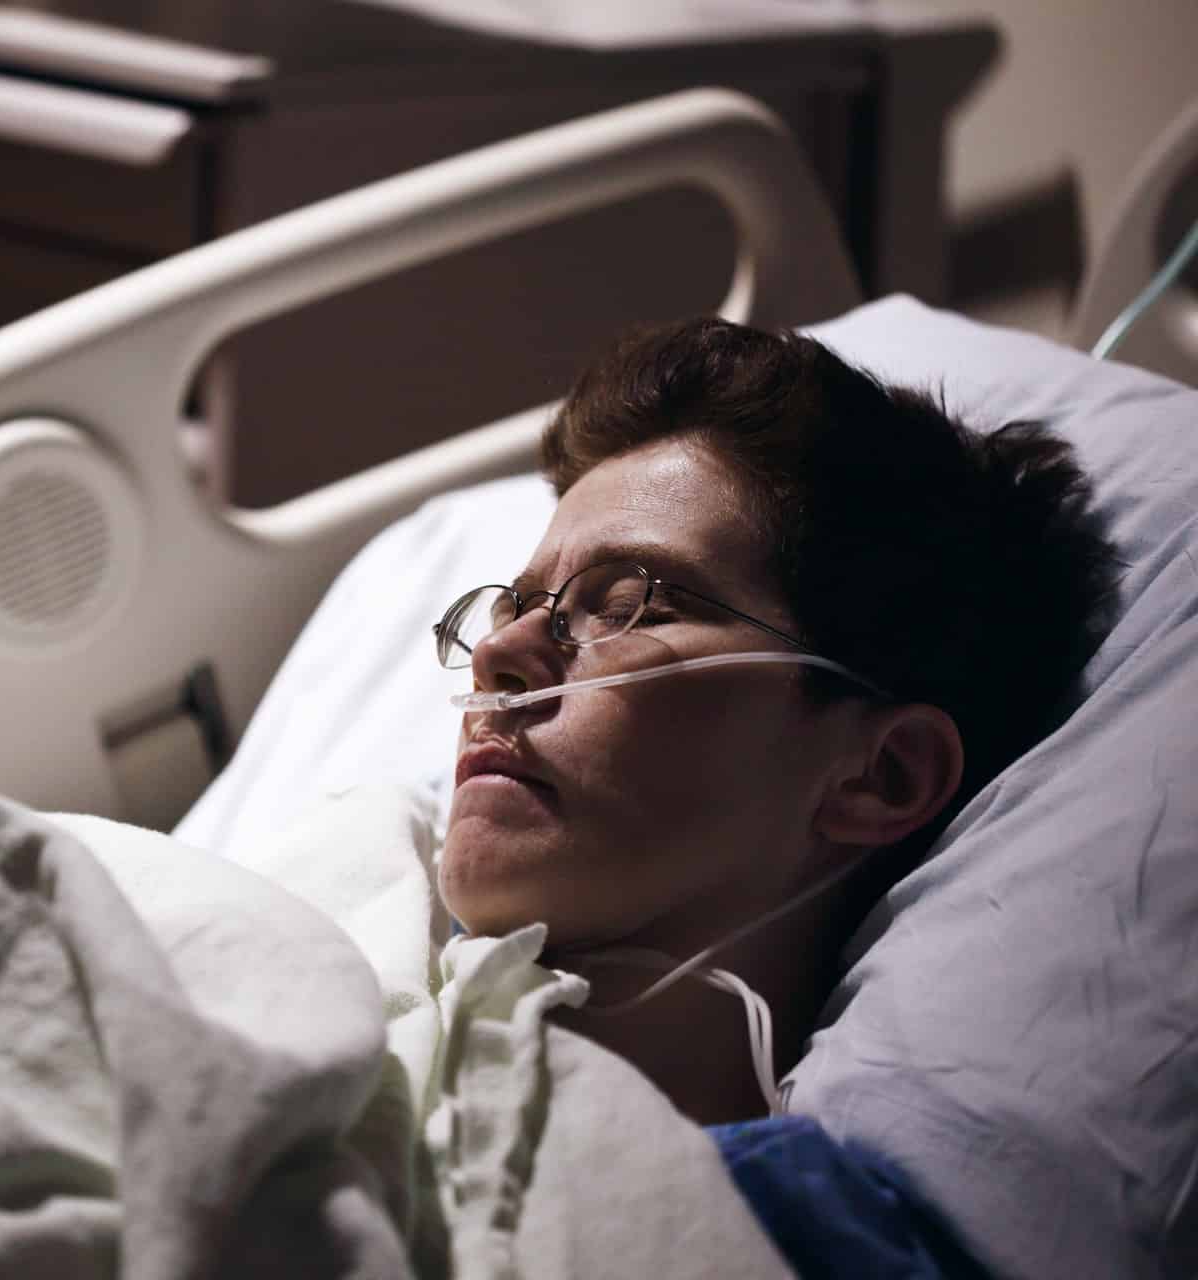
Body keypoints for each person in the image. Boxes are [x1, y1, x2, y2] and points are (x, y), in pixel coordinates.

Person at [432, 316, 1118, 1273]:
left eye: (630, 603)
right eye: (514, 607)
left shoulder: (786, 1236)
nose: (501, 656)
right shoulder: (330, 936)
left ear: (880, 777)